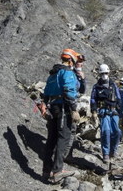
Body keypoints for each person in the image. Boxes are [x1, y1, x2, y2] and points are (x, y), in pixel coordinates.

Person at [40, 48, 85, 184]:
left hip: (53, 107)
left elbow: (46, 93)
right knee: (63, 138)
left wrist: (44, 106)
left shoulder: (53, 74)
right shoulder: (67, 72)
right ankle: (58, 170)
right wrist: (73, 109)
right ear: (70, 60)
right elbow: (68, 90)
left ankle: (46, 170)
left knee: (51, 139)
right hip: (64, 108)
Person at [90, 64, 121, 164]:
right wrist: (94, 111)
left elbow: (119, 98)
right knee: (106, 132)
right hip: (103, 111)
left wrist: (121, 110)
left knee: (117, 132)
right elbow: (93, 99)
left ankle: (114, 150)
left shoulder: (113, 85)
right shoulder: (96, 87)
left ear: (108, 73)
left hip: (114, 111)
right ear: (99, 74)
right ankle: (106, 154)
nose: (104, 75)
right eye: (102, 73)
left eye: (106, 73)